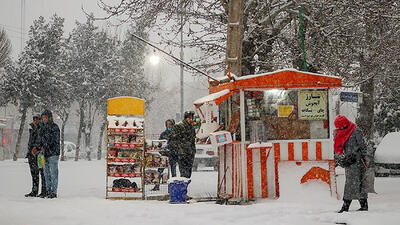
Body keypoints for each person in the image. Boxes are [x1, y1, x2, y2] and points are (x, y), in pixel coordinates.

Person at [334, 115, 373, 213]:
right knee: (356, 184)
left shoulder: (356, 131)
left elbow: (363, 146)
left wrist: (366, 159)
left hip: (357, 162)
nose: (339, 129)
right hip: (349, 162)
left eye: (340, 127)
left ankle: (346, 206)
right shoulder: (341, 132)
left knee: (353, 184)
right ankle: (363, 206)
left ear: (345, 124)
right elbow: (339, 148)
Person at [35, 109, 60, 198]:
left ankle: (54, 191)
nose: (44, 119)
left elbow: (54, 140)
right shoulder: (42, 128)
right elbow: (39, 139)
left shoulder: (54, 127)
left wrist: (45, 147)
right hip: (44, 154)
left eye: (45, 117)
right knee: (46, 173)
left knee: (53, 173)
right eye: (43, 118)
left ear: (49, 118)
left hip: (53, 153)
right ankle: (48, 190)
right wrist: (37, 147)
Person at [25, 115, 46, 197]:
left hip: (40, 154)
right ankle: (34, 191)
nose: (35, 120)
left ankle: (44, 191)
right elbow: (30, 141)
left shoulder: (42, 129)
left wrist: (37, 149)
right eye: (34, 119)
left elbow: (41, 141)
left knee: (43, 173)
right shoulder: (32, 128)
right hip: (31, 154)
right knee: (34, 173)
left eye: (37, 119)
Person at [170, 111, 196, 178]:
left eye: (191, 118)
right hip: (182, 153)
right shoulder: (178, 126)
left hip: (190, 153)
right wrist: (178, 149)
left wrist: (193, 150)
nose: (191, 120)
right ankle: (183, 186)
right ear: (185, 118)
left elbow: (193, 140)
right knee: (183, 172)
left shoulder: (192, 127)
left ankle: (185, 185)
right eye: (189, 118)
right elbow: (173, 138)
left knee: (188, 173)